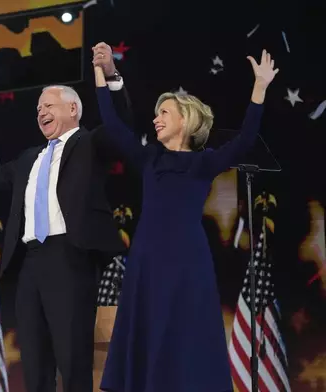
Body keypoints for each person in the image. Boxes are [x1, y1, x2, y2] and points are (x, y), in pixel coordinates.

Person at [93, 49, 279, 391]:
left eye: (164, 112)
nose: (156, 119)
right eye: (156, 114)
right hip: (146, 262)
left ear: (186, 121)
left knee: (183, 337)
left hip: (187, 263)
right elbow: (114, 127)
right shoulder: (149, 159)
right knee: (148, 334)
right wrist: (100, 75)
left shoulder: (203, 163)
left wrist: (260, 88)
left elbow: (246, 140)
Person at [0, 42, 130, 392]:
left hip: (71, 258)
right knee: (34, 361)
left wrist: (110, 74)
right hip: (29, 263)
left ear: (73, 108)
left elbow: (120, 123)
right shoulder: (29, 157)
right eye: (37, 108)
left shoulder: (90, 145)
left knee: (72, 358)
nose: (40, 112)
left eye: (47, 105)